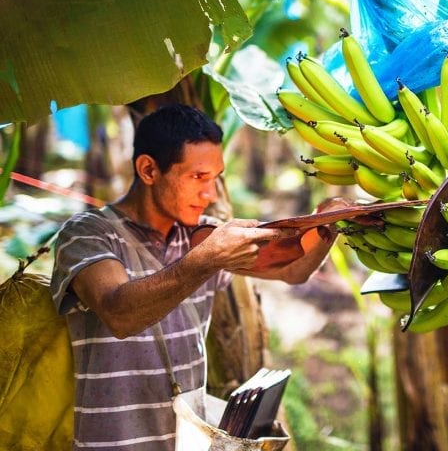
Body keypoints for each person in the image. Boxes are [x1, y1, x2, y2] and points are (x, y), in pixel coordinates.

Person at [51, 103, 341, 450]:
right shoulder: (87, 234)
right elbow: (119, 313)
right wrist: (205, 260)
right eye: (197, 177)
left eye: (215, 178)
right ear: (148, 170)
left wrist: (329, 225)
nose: (210, 194)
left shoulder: (202, 238)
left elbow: (293, 271)